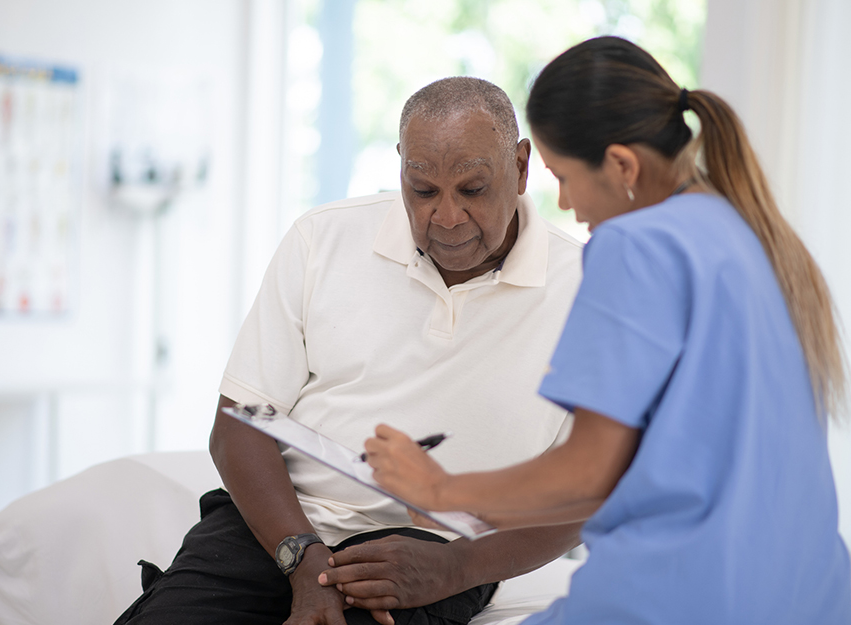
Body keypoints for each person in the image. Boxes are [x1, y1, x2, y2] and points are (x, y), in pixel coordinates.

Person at [364, 37, 851, 624]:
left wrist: (439, 490)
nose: (565, 204)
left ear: (621, 166)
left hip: (680, 599)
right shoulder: (752, 236)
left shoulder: (635, 245)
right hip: (813, 596)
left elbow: (591, 469)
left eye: (564, 177)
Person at [113, 77, 585, 625]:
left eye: (473, 190)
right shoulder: (323, 239)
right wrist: (304, 562)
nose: (448, 217)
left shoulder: (587, 290)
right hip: (281, 527)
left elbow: (588, 491)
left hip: (430, 549)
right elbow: (238, 425)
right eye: (424, 190)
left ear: (522, 168)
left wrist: (457, 569)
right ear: (401, 168)